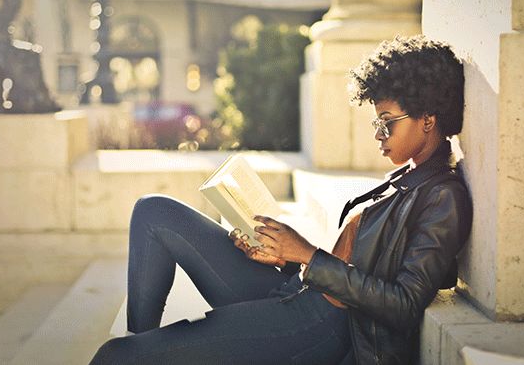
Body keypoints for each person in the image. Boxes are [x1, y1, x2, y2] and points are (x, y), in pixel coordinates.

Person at [90, 35, 472, 365]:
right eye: (377, 122)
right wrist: (287, 259)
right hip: (296, 296)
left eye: (386, 121)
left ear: (428, 118)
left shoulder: (443, 197)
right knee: (154, 212)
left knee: (114, 358)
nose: (378, 133)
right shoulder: (404, 177)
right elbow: (346, 266)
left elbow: (404, 305)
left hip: (320, 329)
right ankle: (141, 347)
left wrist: (307, 254)